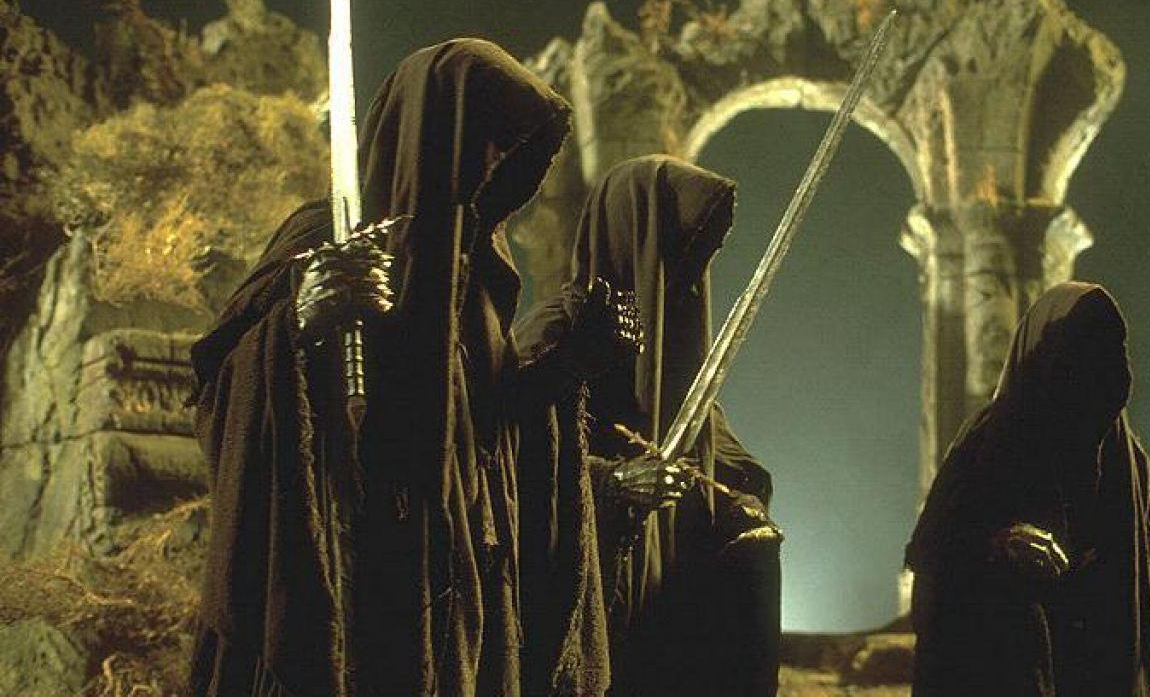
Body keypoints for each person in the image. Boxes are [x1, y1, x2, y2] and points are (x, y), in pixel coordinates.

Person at [187, 38, 571, 697]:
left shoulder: (477, 281)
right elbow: (219, 392)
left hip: (454, 583)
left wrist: (564, 373)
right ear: (438, 135)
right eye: (487, 146)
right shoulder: (327, 234)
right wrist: (298, 321)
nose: (496, 170)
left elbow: (492, 439)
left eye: (511, 153)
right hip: (350, 564)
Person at [513, 154, 782, 697]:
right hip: (589, 604)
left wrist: (740, 502)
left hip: (667, 613)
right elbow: (508, 465)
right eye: (676, 251)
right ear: (633, 238)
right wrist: (611, 483)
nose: (686, 273)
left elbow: (722, 459)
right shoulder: (554, 335)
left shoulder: (677, 357)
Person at [906, 282, 1150, 697]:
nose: (1092, 366)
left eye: (1106, 348)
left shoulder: (1128, 463)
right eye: (1078, 347)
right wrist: (998, 548)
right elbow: (936, 562)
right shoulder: (991, 445)